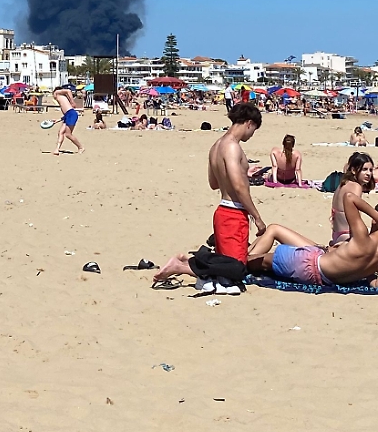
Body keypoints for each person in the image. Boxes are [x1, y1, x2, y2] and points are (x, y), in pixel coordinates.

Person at [152, 103, 264, 292]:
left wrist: (245, 173)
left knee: (227, 264)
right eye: (253, 130)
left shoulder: (216, 146)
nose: (251, 135)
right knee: (236, 269)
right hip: (233, 213)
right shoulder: (233, 147)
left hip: (222, 210)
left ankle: (190, 263)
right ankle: (183, 266)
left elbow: (214, 183)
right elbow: (238, 186)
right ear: (249, 123)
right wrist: (257, 217)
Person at [247, 192, 378, 287]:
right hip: (320, 266)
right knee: (271, 233)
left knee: (249, 262)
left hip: (307, 263)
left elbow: (349, 197)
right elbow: (374, 284)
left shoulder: (362, 238)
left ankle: (240, 258)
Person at [330, 152, 376, 246]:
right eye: (364, 169)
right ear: (354, 170)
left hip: (337, 235)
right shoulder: (356, 187)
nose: (368, 173)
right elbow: (354, 218)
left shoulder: (343, 184)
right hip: (347, 236)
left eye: (370, 170)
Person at [52, 86, 84, 156]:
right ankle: (57, 149)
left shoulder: (57, 93)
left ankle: (80, 147)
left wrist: (72, 102)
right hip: (68, 115)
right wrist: (57, 120)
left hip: (71, 114)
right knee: (61, 132)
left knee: (68, 134)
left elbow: (68, 91)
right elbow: (66, 114)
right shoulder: (62, 98)